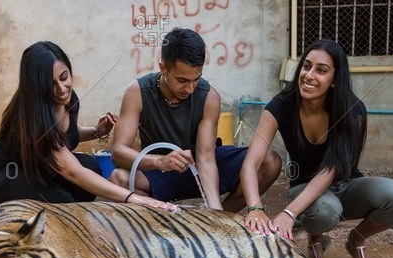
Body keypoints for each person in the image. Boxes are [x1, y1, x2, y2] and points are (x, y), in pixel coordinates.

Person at [240, 39, 393, 258]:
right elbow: (251, 163)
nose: (309, 75)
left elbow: (331, 168)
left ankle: (356, 241)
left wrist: (289, 213)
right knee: (324, 211)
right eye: (306, 66)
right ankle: (315, 238)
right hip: (304, 189)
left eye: (321, 70)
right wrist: (254, 208)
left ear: (334, 80)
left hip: (346, 184)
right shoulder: (281, 106)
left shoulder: (353, 110)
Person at [0, 41, 177, 212]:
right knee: (63, 203)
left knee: (91, 167)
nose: (61, 88)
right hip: (6, 176)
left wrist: (96, 132)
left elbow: (67, 132)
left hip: (37, 169)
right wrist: (133, 197)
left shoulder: (66, 100)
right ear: (36, 86)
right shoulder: (35, 118)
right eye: (50, 84)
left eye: (64, 77)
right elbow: (74, 172)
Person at [109, 28, 280, 212]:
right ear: (163, 68)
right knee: (119, 179)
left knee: (269, 161)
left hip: (201, 168)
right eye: (182, 80)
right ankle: (162, 222)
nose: (190, 89)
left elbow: (206, 158)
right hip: (160, 173)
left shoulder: (209, 97)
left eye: (196, 80)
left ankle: (217, 221)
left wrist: (216, 211)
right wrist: (160, 161)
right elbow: (118, 153)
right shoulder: (137, 92)